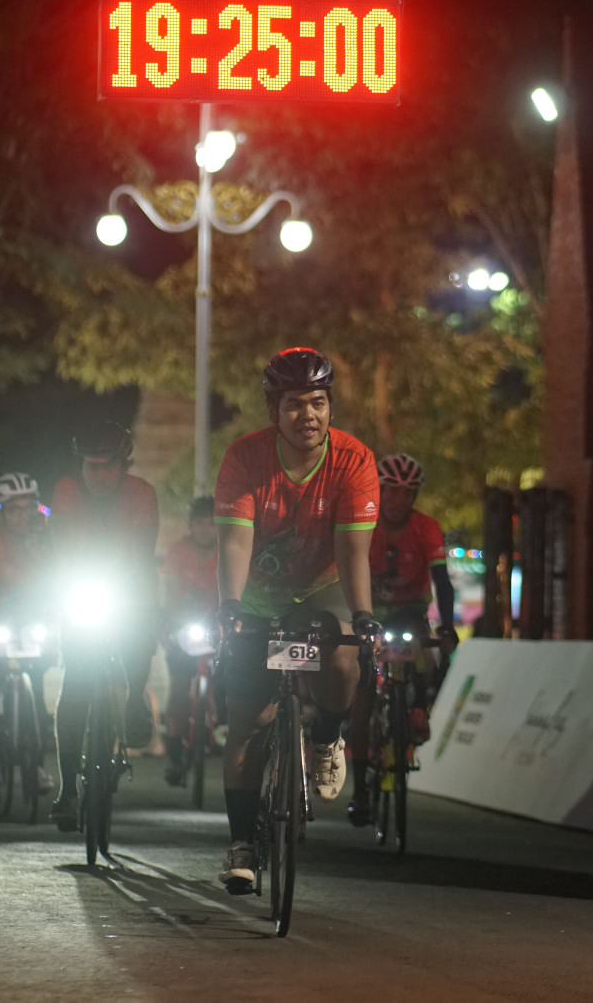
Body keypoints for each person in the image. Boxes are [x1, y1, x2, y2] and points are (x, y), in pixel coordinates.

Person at [214, 346, 380, 893]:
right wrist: (231, 606)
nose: (308, 415)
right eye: (294, 405)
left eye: (317, 403)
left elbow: (353, 552)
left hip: (321, 586)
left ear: (329, 406)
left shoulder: (354, 460)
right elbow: (234, 542)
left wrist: (363, 616)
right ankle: (242, 843)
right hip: (258, 596)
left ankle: (327, 735)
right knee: (248, 722)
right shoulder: (244, 458)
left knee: (343, 653)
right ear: (273, 411)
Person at [47, 420, 160, 831]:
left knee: (141, 638)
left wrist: (139, 599)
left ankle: (134, 702)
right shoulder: (66, 492)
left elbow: (141, 553)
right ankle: (67, 790)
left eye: (106, 466)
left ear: (122, 465)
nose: (97, 475)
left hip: (130, 589)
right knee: (75, 686)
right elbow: (60, 548)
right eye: (90, 467)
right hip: (81, 591)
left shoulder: (142, 494)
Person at [347, 451, 458, 826]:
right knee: (363, 693)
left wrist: (447, 626)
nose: (399, 500)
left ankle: (418, 706)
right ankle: (360, 791)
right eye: (391, 491)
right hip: (369, 610)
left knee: (424, 648)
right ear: (379, 491)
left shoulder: (427, 527)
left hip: (409, 608)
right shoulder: (364, 522)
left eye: (407, 492)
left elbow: (442, 580)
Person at [0, 472, 55, 792]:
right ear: (2, 512)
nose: (22, 517)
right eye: (14, 510)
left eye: (28, 508)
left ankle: (38, 767)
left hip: (34, 623)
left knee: (38, 698)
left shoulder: (46, 540)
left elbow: (59, 578)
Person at [160, 494, 219, 785]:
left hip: (219, 628)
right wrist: (170, 625)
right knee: (179, 692)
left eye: (212, 523)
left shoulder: (227, 550)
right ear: (190, 525)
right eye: (200, 523)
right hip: (185, 627)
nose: (206, 530)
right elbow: (169, 593)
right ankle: (175, 755)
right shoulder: (178, 551)